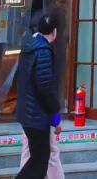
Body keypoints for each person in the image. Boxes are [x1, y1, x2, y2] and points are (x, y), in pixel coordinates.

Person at [16, 14, 63, 179]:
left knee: (37, 159)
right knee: (39, 162)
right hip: (36, 116)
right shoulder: (43, 51)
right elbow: (45, 86)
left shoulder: (29, 46)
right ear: (54, 32)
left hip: (26, 112)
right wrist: (55, 113)